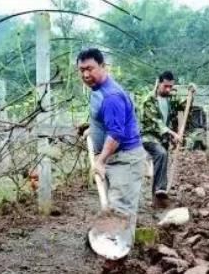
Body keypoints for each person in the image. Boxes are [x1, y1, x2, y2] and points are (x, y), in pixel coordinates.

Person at [76, 48, 146, 224]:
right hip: (113, 157)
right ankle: (112, 246)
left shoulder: (111, 96)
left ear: (102, 66)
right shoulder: (97, 89)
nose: (85, 74)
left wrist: (99, 161)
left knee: (120, 211)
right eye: (81, 70)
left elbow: (115, 134)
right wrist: (92, 130)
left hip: (125, 160)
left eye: (90, 68)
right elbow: (102, 120)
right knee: (113, 208)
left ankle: (121, 249)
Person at [139, 71, 194, 208]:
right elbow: (157, 123)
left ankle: (157, 200)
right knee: (161, 154)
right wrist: (173, 134)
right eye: (165, 86)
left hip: (162, 139)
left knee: (161, 165)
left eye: (171, 86)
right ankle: (161, 189)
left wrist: (191, 94)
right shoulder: (149, 100)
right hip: (148, 136)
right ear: (158, 83)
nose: (168, 89)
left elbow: (184, 105)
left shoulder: (170, 99)